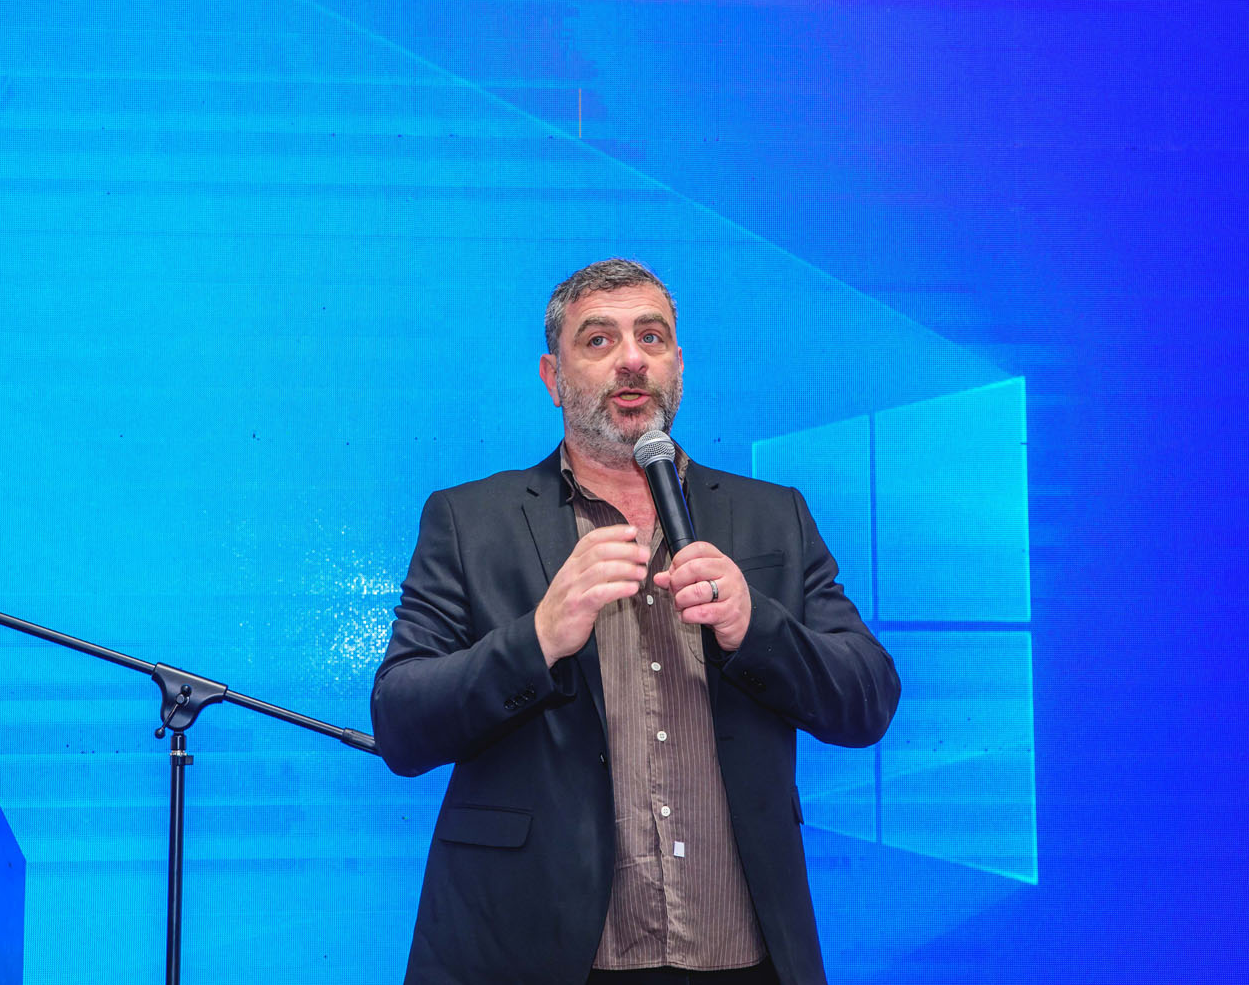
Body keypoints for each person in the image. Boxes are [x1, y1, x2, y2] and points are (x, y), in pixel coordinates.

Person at [371, 259, 900, 985]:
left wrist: (756, 627)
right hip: (539, 952)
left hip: (739, 951)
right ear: (554, 377)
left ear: (677, 365)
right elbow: (401, 725)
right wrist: (539, 637)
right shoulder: (470, 520)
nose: (631, 359)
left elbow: (868, 700)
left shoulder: (773, 515)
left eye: (651, 338)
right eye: (598, 340)